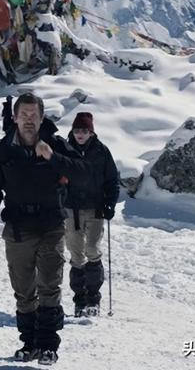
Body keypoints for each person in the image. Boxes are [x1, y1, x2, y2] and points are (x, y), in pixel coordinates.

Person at [0, 93, 89, 365]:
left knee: (49, 285)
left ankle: (48, 345)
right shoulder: (4, 148)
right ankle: (29, 343)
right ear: (15, 117)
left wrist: (54, 158)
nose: (29, 120)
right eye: (24, 114)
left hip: (50, 225)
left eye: (34, 115)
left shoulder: (56, 144)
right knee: (23, 289)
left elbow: (82, 173)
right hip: (17, 227)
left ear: (42, 118)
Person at [64, 112, 120, 317]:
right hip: (71, 210)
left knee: (92, 249)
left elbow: (112, 180)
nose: (80, 134)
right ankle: (80, 300)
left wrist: (110, 204)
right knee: (76, 254)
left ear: (91, 132)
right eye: (77, 130)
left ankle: (94, 299)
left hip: (95, 209)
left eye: (84, 131)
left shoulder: (101, 151)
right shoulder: (65, 149)